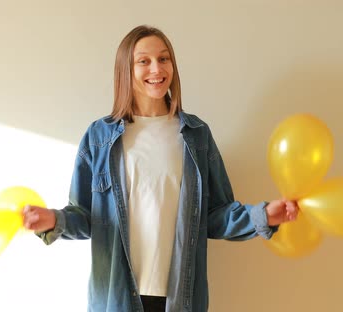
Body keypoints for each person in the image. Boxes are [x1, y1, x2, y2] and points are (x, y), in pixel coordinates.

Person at [22, 25, 298, 312]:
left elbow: (216, 214)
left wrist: (262, 215)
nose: (157, 68)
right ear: (125, 70)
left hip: (180, 298)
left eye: (164, 59)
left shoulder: (196, 135)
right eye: (144, 61)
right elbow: (87, 217)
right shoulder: (99, 138)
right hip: (115, 298)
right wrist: (52, 220)